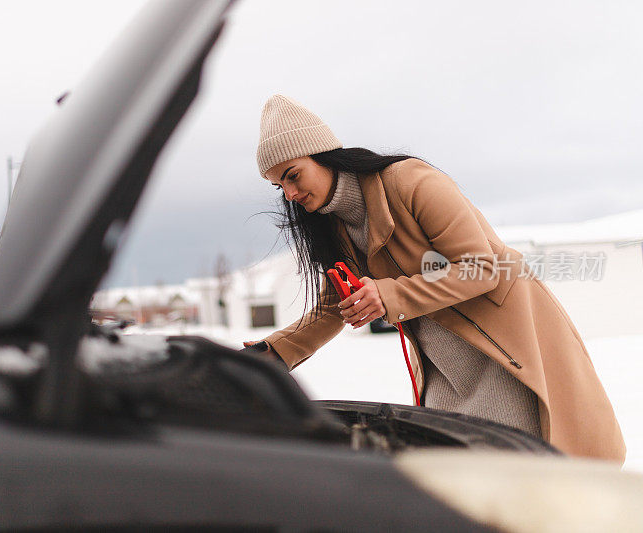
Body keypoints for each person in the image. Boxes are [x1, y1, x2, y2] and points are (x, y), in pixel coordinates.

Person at [244, 94, 625, 464]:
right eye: (280, 186)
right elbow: (334, 306)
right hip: (444, 367)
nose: (290, 194)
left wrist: (390, 294)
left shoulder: (408, 180)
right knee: (455, 481)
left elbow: (483, 267)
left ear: (324, 156)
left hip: (502, 351)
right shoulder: (336, 226)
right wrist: (272, 354)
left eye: (293, 175)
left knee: (510, 482)